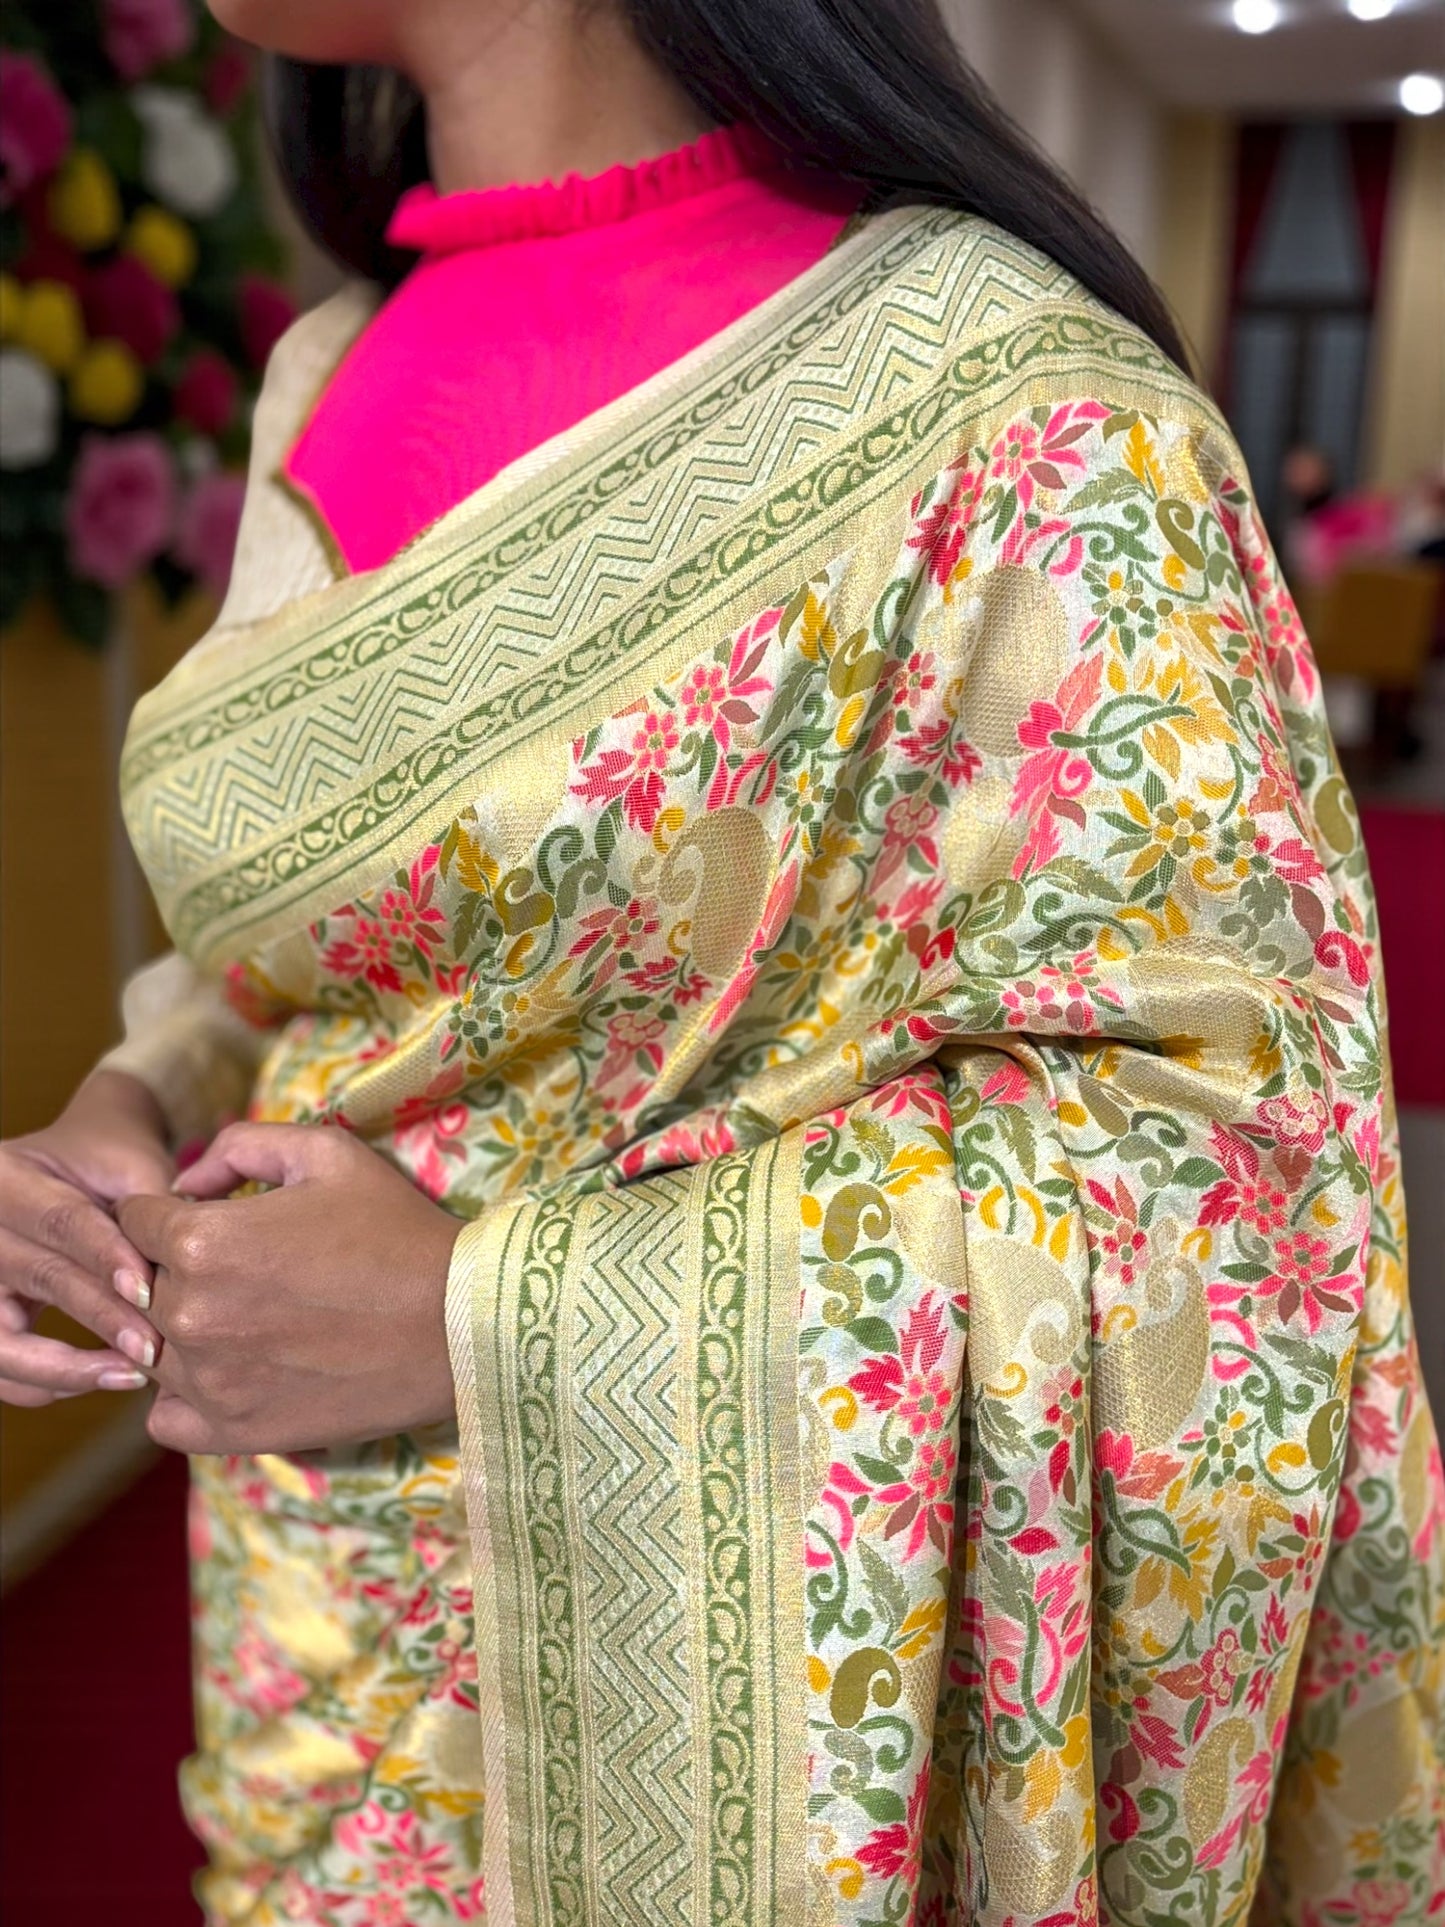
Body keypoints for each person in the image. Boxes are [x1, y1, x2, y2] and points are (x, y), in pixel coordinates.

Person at [1, 3, 1440, 1921]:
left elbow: (1244, 1214)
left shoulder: (1015, 414)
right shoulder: (322, 365)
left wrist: (480, 1313)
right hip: (315, 1632)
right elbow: (316, 966)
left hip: (752, 1713)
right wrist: (138, 1096)